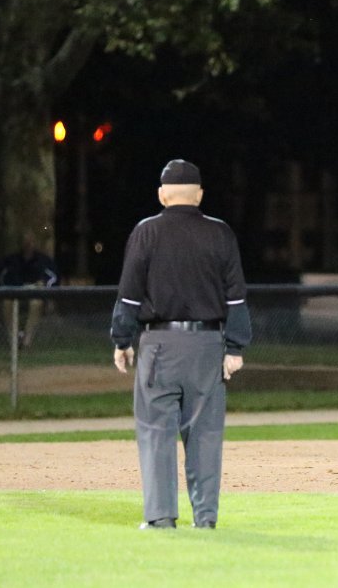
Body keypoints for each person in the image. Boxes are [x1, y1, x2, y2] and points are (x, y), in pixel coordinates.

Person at [110, 159, 252, 530]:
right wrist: (235, 347)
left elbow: (128, 296)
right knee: (205, 434)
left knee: (156, 431)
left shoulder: (146, 231)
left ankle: (160, 517)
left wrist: (122, 340)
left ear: (162, 195)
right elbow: (236, 297)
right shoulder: (220, 233)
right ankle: (205, 518)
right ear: (199, 195)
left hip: (160, 345)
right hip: (208, 345)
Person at [0, 231, 59, 348]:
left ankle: (27, 340)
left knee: (36, 303)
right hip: (15, 292)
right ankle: (13, 340)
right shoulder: (12, 260)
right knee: (7, 303)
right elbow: (2, 277)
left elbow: (53, 277)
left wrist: (43, 284)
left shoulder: (43, 260)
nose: (28, 244)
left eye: (31, 241)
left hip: (34, 292)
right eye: (26, 242)